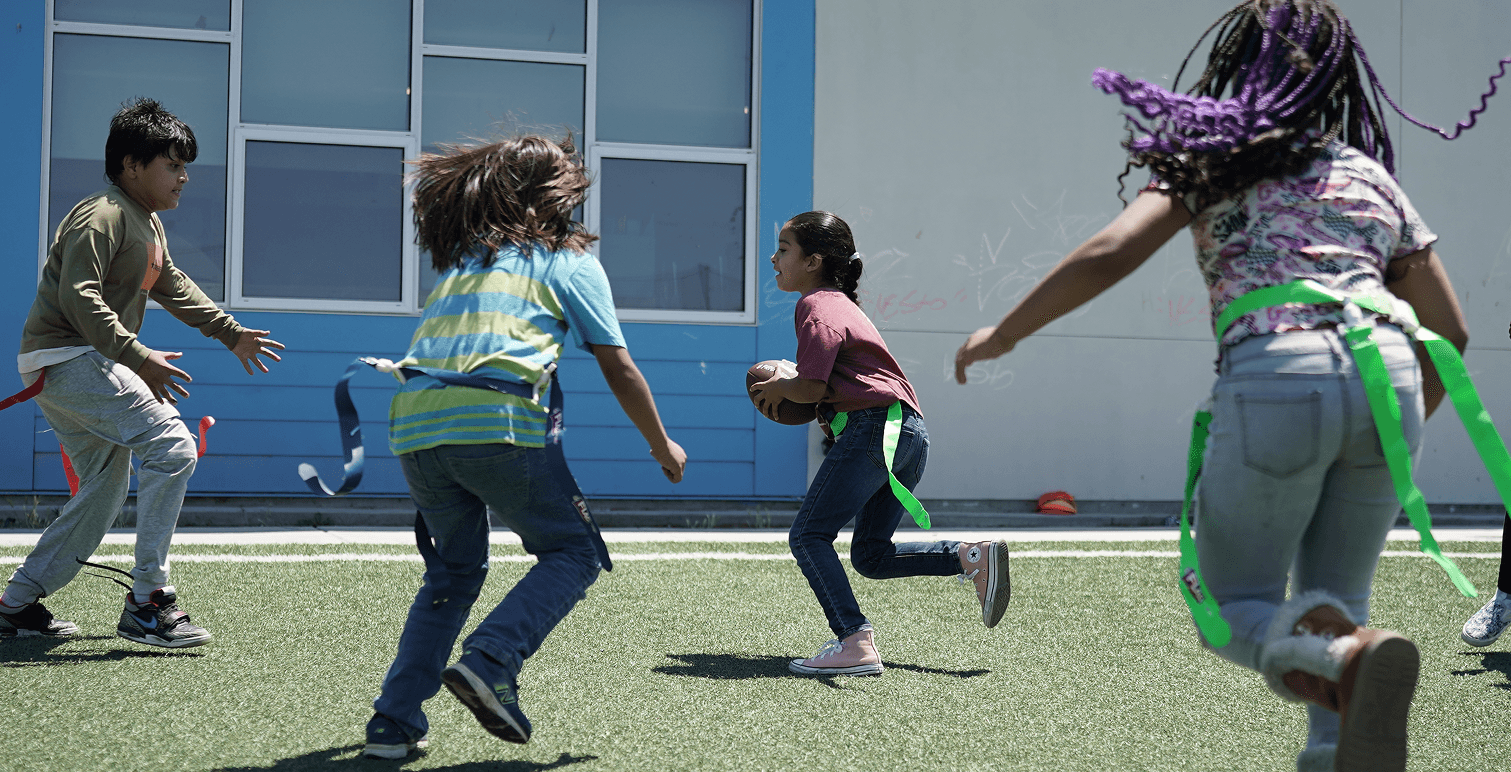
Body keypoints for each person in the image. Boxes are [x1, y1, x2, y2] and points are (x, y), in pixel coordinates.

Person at [954, 3, 1488, 770]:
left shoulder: (1218, 157)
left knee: (1227, 606)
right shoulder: (1369, 177)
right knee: (1342, 606)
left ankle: (1342, 664)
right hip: (1391, 378)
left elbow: (1111, 250)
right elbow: (1453, 333)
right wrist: (1389, 440)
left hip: (1278, 369)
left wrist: (1001, 334)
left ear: (1240, 71)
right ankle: (1341, 709)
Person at [363, 134, 687, 759]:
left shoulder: (467, 263)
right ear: (559, 197)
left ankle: (394, 721)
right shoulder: (569, 263)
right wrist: (662, 443)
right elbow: (617, 366)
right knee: (573, 552)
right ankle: (492, 658)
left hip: (413, 426)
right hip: (496, 424)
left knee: (453, 571)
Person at [0, 97, 283, 649]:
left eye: (184, 167)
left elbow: (171, 284)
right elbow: (77, 296)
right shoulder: (102, 214)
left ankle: (13, 605)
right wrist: (136, 355)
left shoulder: (145, 221)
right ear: (132, 165)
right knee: (175, 448)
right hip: (69, 357)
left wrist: (230, 332)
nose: (183, 177)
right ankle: (148, 599)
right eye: (172, 165)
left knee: (104, 491)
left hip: (78, 361)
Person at [750, 211, 1011, 678]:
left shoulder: (815, 305)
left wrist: (781, 388)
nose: (774, 257)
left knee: (808, 535)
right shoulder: (844, 306)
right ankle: (972, 555)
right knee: (870, 555)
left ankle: (854, 641)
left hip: (876, 429)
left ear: (813, 261)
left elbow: (809, 387)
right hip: (909, 432)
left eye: (784, 249)